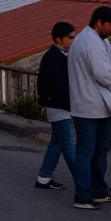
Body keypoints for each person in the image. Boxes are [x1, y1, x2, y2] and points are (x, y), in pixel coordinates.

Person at [68, 6, 111, 210]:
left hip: (99, 106)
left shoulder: (98, 41)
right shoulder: (90, 42)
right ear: (99, 22)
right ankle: (82, 195)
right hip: (87, 106)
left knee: (100, 151)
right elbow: (103, 73)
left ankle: (98, 190)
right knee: (86, 151)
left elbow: (107, 70)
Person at [35, 21, 77, 192]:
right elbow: (54, 85)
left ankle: (44, 177)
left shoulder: (59, 55)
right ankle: (85, 181)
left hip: (59, 106)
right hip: (58, 107)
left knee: (57, 143)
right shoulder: (54, 57)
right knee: (68, 144)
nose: (72, 40)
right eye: (70, 37)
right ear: (59, 39)